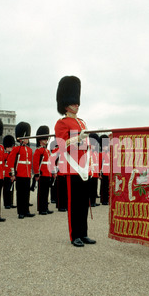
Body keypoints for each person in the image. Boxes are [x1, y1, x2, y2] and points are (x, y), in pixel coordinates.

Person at [54, 75, 96, 247]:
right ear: (66, 104)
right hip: (72, 166)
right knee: (74, 204)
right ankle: (75, 235)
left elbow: (86, 146)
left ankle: (84, 233)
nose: (76, 105)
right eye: (73, 102)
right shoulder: (61, 122)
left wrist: (91, 163)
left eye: (77, 102)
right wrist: (78, 138)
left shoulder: (82, 122)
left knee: (83, 203)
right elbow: (62, 145)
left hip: (84, 166)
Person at [8, 122, 35, 219]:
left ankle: (26, 210)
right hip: (19, 174)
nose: (27, 139)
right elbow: (11, 161)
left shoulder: (29, 150)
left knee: (26, 193)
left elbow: (29, 163)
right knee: (20, 194)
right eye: (26, 137)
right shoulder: (16, 149)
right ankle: (21, 212)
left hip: (27, 174)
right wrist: (12, 173)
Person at [32, 125, 54, 215]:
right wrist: (36, 173)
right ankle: (41, 209)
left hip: (47, 173)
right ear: (40, 140)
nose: (46, 141)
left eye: (46, 139)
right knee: (41, 192)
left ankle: (45, 207)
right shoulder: (38, 150)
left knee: (46, 192)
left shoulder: (47, 151)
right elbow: (36, 163)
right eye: (44, 139)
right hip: (41, 174)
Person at [3, 134, 16, 209]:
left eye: (11, 147)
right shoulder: (4, 155)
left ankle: (11, 202)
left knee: (11, 189)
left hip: (11, 174)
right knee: (6, 190)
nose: (10, 149)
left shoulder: (12, 155)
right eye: (8, 147)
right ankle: (6, 203)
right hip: (6, 174)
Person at [88, 133, 100, 207]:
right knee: (90, 188)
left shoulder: (95, 153)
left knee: (94, 188)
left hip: (95, 172)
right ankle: (90, 202)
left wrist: (98, 173)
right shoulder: (88, 152)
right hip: (90, 172)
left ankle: (93, 201)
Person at [100, 134, 110, 205]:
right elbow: (100, 163)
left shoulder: (109, 153)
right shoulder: (102, 153)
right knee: (104, 187)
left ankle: (106, 199)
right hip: (104, 171)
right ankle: (104, 200)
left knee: (107, 187)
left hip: (109, 171)